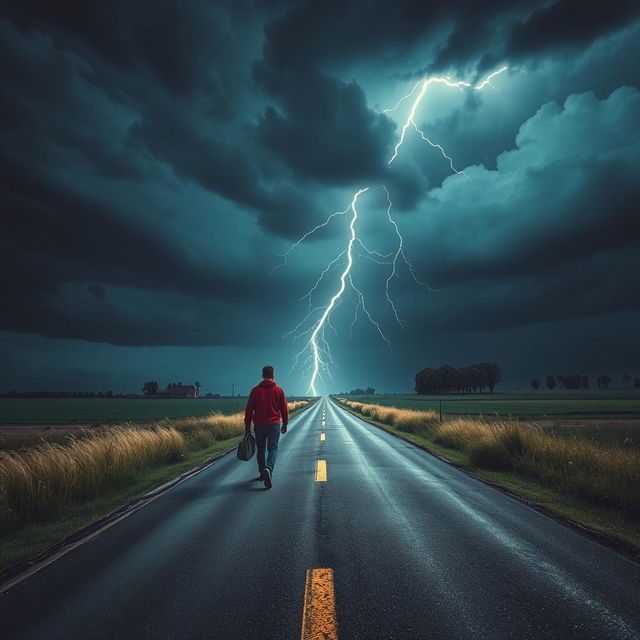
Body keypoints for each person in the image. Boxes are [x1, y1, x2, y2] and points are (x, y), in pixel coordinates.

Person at [244, 365, 288, 489]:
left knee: (261, 449)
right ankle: (269, 469)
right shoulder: (279, 390)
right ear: (273, 376)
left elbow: (249, 410)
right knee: (273, 449)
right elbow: (284, 409)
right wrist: (285, 423)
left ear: (262, 375)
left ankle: (262, 474)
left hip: (259, 424)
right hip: (274, 424)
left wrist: (247, 426)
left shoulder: (255, 391)